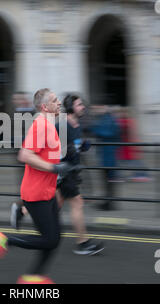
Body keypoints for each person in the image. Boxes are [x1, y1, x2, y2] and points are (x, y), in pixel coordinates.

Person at [0, 88, 77, 281]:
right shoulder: (41, 125)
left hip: (47, 192)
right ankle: (3, 241)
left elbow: (49, 153)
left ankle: (34, 277)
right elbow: (24, 155)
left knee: (54, 239)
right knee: (49, 239)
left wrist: (66, 163)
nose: (59, 103)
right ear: (44, 106)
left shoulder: (49, 124)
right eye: (55, 100)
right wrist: (54, 168)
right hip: (36, 194)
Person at [54, 94, 104, 255]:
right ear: (70, 108)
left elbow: (73, 147)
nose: (83, 107)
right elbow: (59, 151)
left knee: (54, 206)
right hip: (63, 172)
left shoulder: (76, 125)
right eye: (79, 104)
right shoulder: (62, 125)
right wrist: (75, 148)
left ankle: (26, 215)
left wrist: (82, 146)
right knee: (77, 203)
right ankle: (82, 243)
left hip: (72, 171)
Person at [91, 105, 121, 211]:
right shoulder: (107, 119)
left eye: (99, 108)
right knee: (107, 180)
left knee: (108, 180)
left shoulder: (108, 119)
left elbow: (105, 132)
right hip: (107, 155)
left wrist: (94, 128)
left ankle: (109, 203)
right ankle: (108, 202)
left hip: (108, 155)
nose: (97, 110)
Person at [117, 108, 152, 182]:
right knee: (127, 162)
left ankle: (142, 175)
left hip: (128, 146)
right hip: (125, 147)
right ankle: (140, 175)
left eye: (122, 113)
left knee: (134, 162)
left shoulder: (126, 122)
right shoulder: (126, 121)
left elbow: (128, 133)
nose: (120, 114)